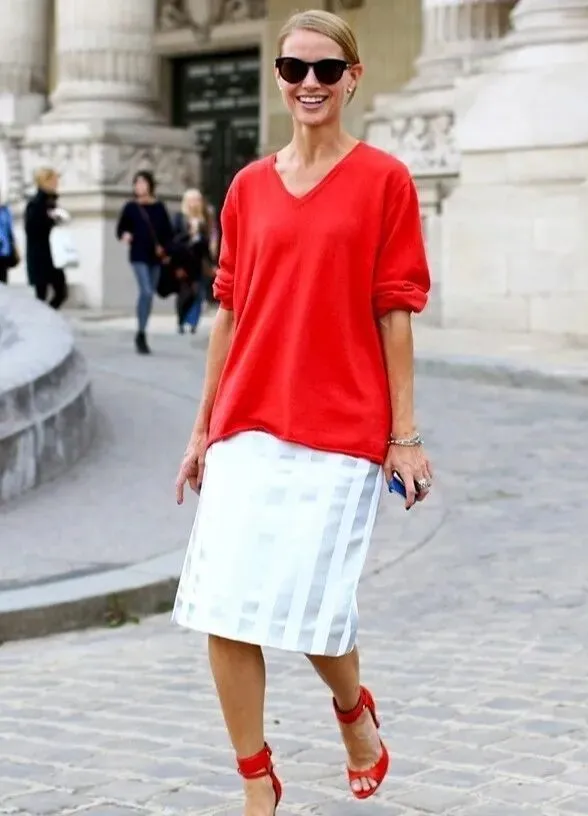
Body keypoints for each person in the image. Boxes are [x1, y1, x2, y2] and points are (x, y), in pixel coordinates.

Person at [173, 9, 433, 815]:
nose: (309, 83)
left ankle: (354, 711)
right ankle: (258, 781)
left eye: (325, 69)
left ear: (353, 77)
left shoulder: (385, 180)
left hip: (341, 427)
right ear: (278, 77)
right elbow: (227, 312)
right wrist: (202, 429)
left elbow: (395, 310)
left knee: (312, 611)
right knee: (223, 606)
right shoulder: (248, 187)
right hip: (247, 420)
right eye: (293, 69)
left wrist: (404, 436)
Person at [116, 171, 173, 355]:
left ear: (150, 185)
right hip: (138, 255)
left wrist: (165, 249)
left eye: (143, 183)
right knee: (146, 291)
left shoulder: (159, 207)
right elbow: (120, 229)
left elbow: (168, 233)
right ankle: (141, 333)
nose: (139, 187)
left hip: (155, 257)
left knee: (149, 296)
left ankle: (142, 329)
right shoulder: (130, 207)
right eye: (137, 183)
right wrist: (125, 235)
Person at [172, 188, 219, 334]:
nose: (194, 203)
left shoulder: (205, 219)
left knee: (199, 292)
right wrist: (190, 234)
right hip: (183, 261)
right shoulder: (179, 218)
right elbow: (174, 239)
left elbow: (209, 243)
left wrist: (212, 263)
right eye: (191, 200)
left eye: (197, 200)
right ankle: (181, 320)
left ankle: (193, 322)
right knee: (184, 293)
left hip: (200, 263)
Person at [24, 168, 69, 309]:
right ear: (45, 181)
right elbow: (32, 229)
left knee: (61, 292)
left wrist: (59, 219)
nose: (57, 183)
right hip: (40, 256)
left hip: (53, 255)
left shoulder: (52, 202)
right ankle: (42, 319)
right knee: (41, 295)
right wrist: (50, 220)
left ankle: (48, 317)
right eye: (54, 180)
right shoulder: (35, 203)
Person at [0, 197, 18, 284]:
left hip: (4, 250)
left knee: (3, 276)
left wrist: (13, 246)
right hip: (4, 247)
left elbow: (10, 230)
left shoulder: (6, 211)